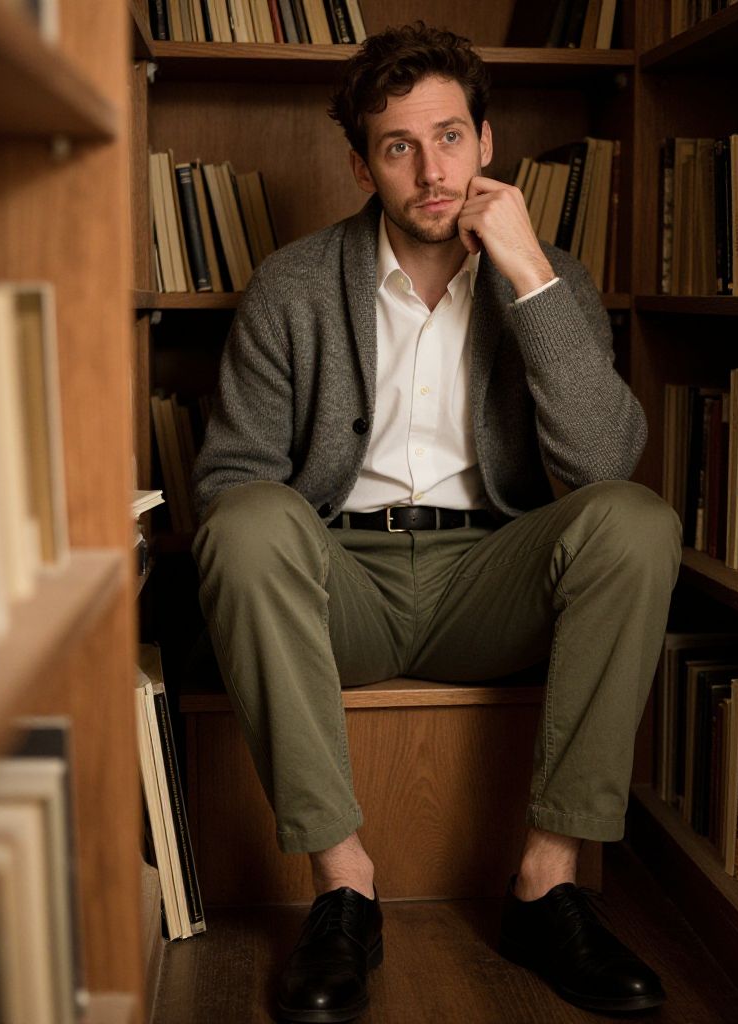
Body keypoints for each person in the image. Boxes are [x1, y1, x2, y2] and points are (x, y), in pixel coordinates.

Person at [192, 21, 681, 1023]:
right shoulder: (293, 285)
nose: (432, 169)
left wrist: (529, 278)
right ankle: (342, 888)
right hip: (342, 587)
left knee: (632, 521)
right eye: (399, 145)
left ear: (487, 141)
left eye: (450, 136)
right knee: (244, 526)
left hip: (490, 578)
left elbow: (600, 465)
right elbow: (228, 485)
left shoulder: (553, 279)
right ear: (361, 165)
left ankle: (550, 883)